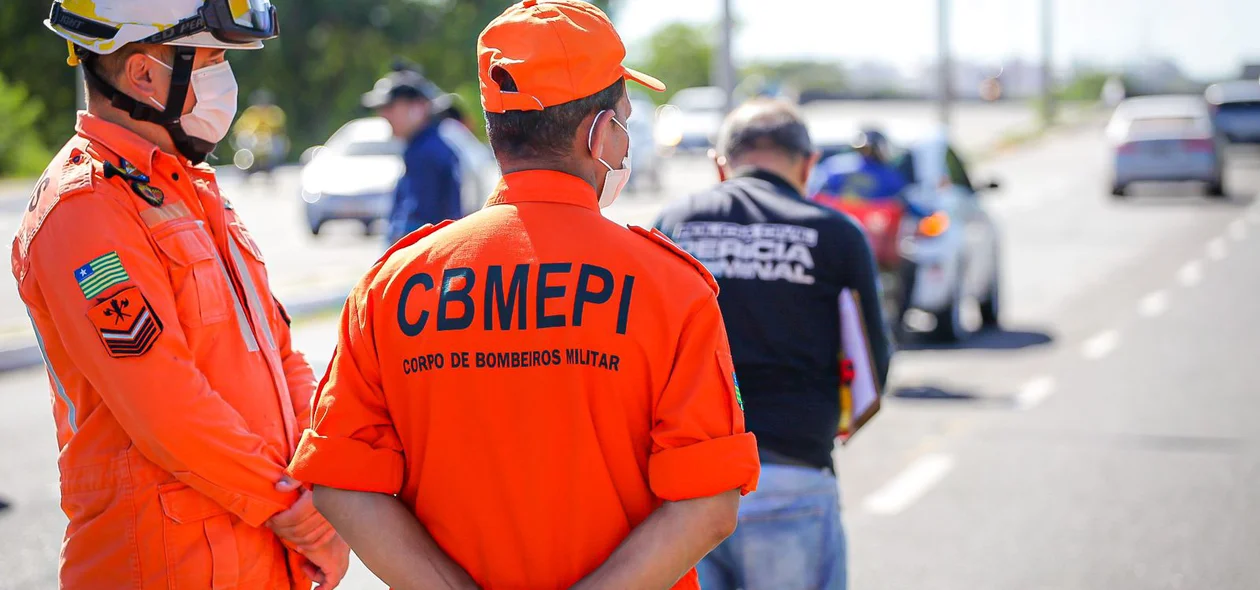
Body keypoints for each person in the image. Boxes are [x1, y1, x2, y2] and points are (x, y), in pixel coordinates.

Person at [287, 1, 761, 588]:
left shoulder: (394, 284)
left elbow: (339, 480)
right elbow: (709, 505)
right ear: (598, 133)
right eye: (624, 119)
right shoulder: (671, 288)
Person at [16, 1, 349, 587]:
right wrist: (290, 508)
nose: (229, 81)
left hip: (253, 548)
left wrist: (316, 483)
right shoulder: (85, 208)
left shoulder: (186, 189)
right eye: (215, 58)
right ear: (144, 74)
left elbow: (277, 352)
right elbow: (163, 400)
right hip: (166, 560)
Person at [654, 99, 894, 590]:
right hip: (793, 476)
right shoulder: (836, 235)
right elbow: (872, 366)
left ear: (720, 164)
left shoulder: (672, 226)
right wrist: (827, 432)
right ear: (808, 165)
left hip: (684, 487)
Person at [362, 68, 463, 245]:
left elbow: (416, 226)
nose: (384, 114)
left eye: (390, 106)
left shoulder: (426, 153)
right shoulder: (424, 147)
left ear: (418, 107)